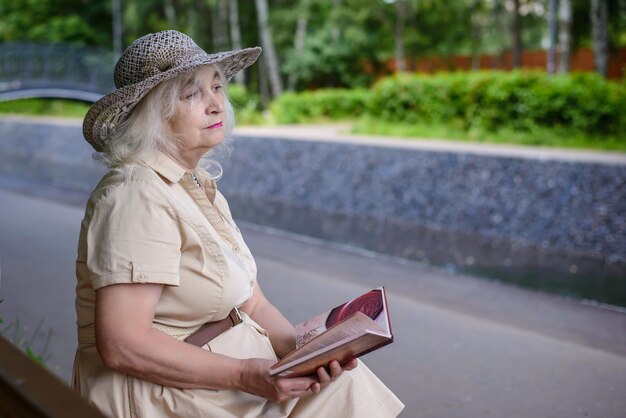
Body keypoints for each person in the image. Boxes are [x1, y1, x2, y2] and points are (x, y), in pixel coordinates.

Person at [72, 29, 404, 418]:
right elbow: (123, 344)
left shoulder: (195, 185)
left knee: (344, 381)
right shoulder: (135, 195)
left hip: (222, 385)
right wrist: (248, 374)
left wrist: (306, 353)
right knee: (347, 396)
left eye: (217, 87)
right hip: (163, 398)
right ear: (153, 115)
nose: (216, 105)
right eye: (193, 93)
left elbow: (254, 301)